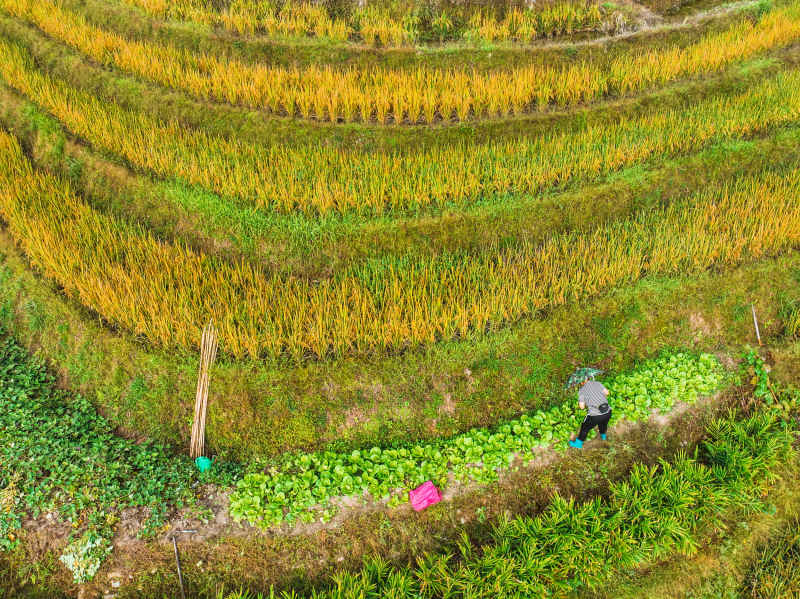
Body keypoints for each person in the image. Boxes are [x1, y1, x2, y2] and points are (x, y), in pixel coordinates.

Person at [568, 377, 611, 449]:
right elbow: (607, 393)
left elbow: (582, 407)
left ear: (581, 383)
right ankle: (603, 435)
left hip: (595, 416)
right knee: (603, 423)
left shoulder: (582, 391)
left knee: (585, 427)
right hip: (607, 411)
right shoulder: (598, 383)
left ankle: (578, 443)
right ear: (588, 378)